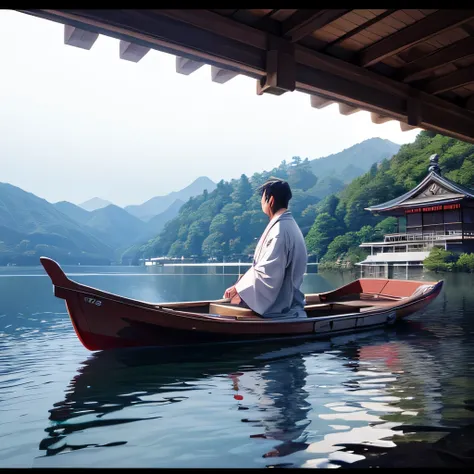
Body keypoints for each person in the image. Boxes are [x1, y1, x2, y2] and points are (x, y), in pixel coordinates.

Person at [223, 178, 308, 319]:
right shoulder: (288, 225)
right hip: (288, 300)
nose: (261, 203)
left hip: (280, 308)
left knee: (234, 302)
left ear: (271, 200)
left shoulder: (280, 230)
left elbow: (269, 272)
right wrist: (243, 281)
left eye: (262, 199)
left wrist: (239, 288)